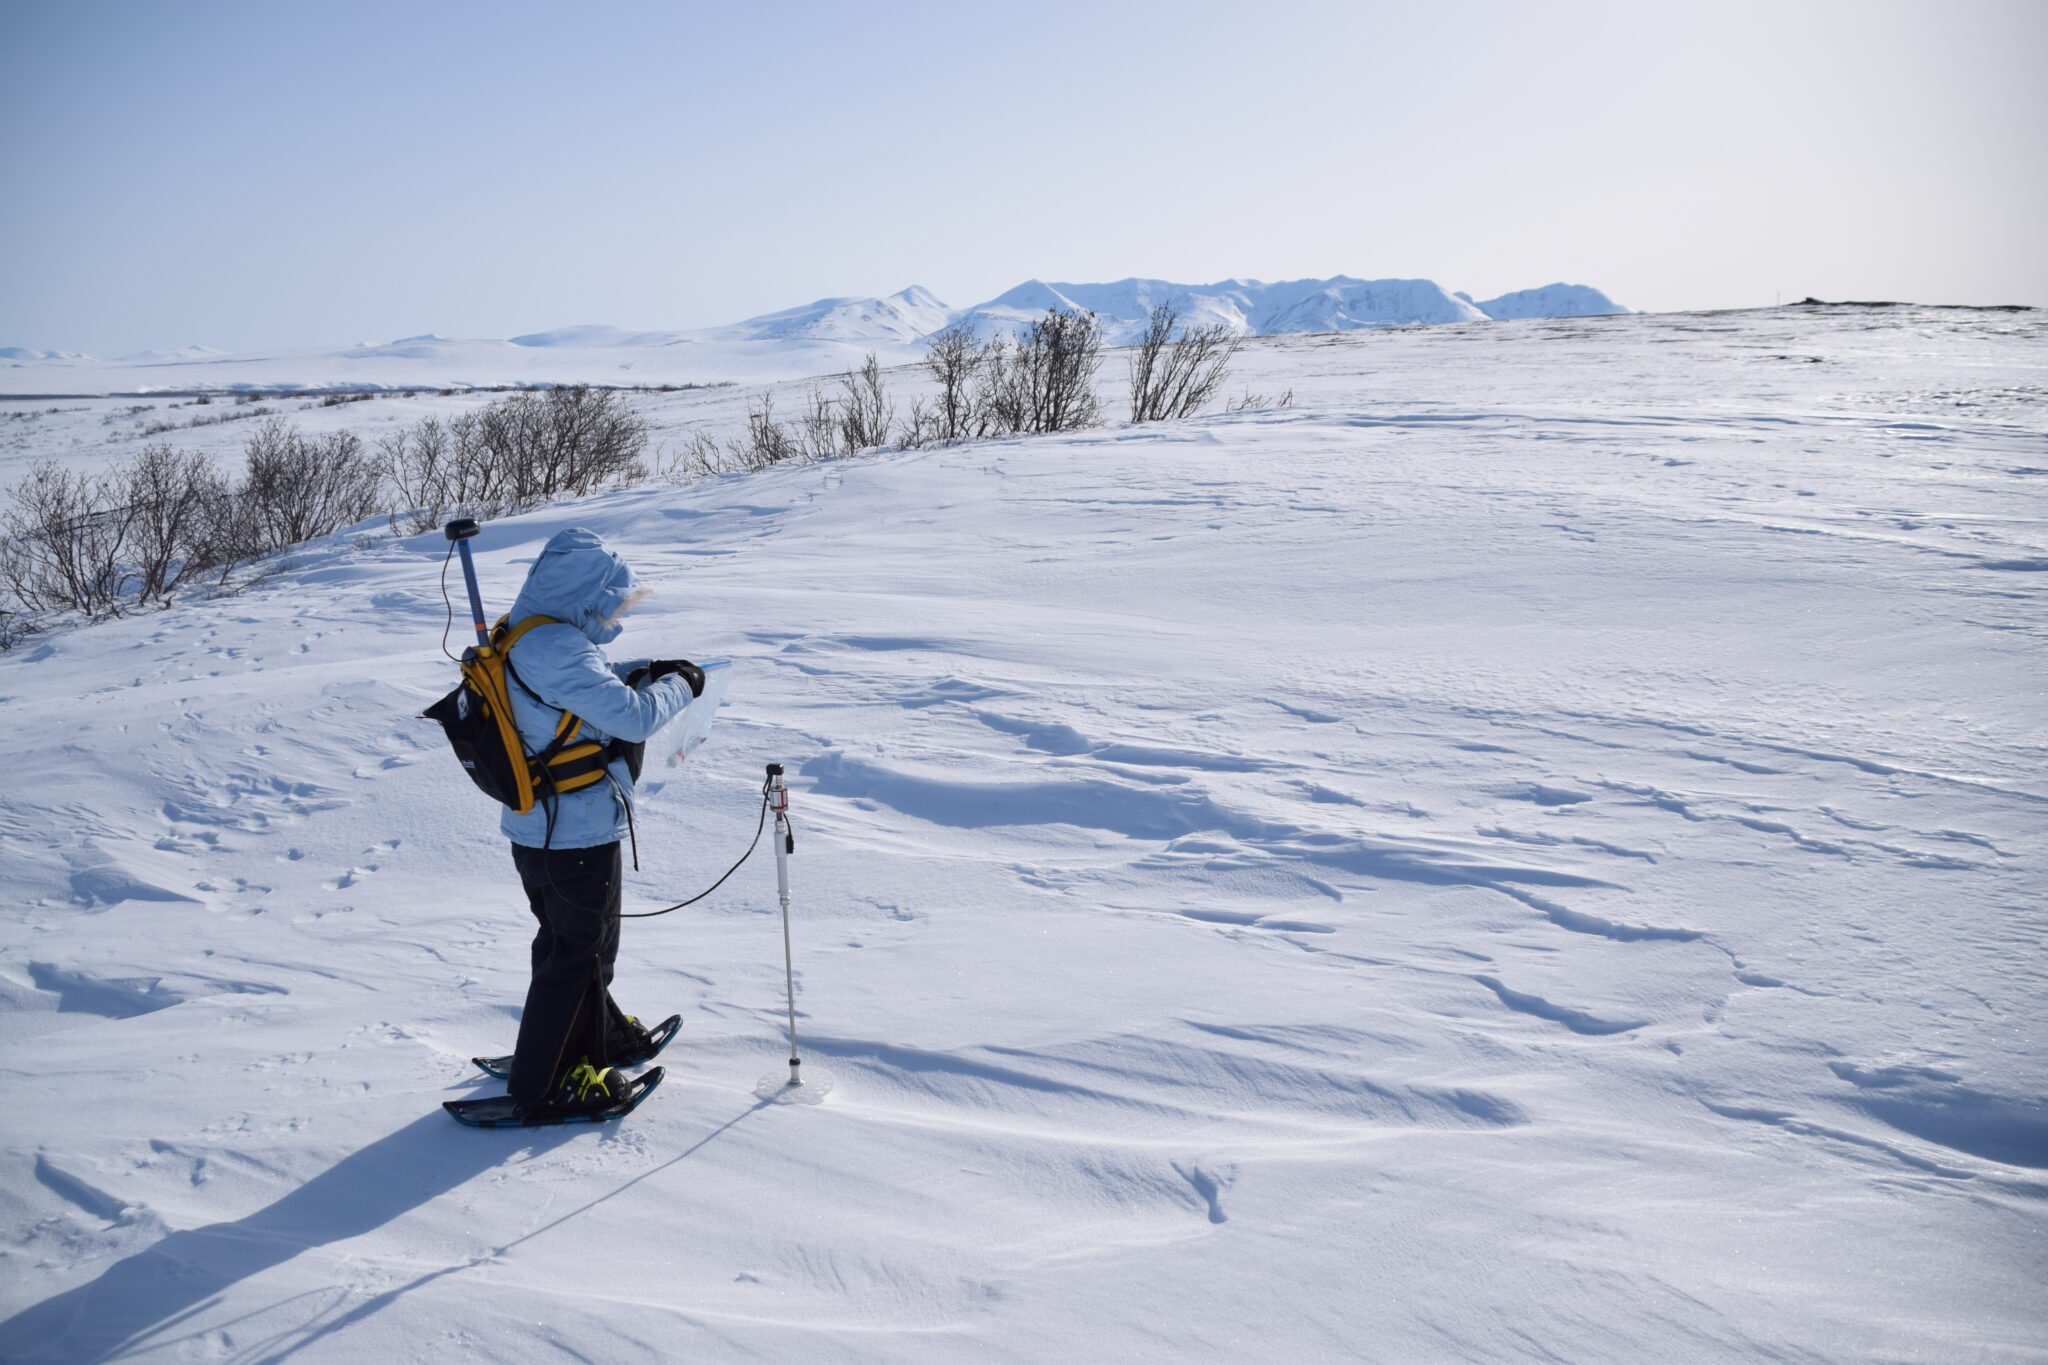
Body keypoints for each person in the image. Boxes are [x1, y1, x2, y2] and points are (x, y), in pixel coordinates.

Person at [493, 527, 701, 1117]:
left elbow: (582, 688)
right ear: (585, 596)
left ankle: (597, 1036)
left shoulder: (526, 630)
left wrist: (646, 666)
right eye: (611, 602)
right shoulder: (560, 648)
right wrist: (683, 685)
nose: (616, 614)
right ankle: (548, 1079)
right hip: (574, 831)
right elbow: (632, 720)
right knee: (581, 952)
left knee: (569, 943)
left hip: (537, 829)